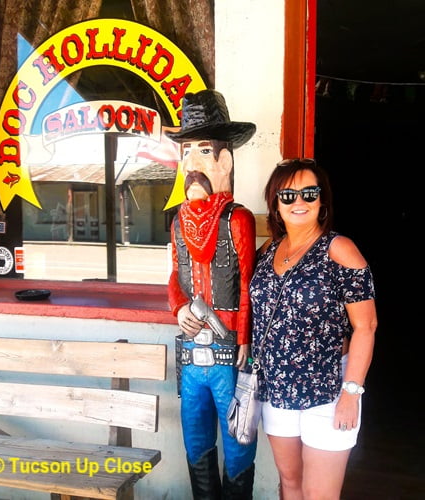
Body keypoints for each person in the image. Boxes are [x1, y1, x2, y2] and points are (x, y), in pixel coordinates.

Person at [249, 158, 377, 499]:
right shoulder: (267, 251)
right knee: (290, 485)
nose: (299, 201)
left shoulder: (340, 249)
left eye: (309, 193)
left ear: (322, 201)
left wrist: (351, 393)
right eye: (288, 195)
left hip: (328, 392)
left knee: (319, 494)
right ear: (276, 204)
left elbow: (366, 326)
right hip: (277, 391)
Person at [166, 89, 257, 499]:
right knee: (196, 442)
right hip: (190, 354)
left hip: (228, 355)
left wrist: (242, 337)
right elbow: (174, 276)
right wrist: (179, 305)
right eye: (187, 152)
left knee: (238, 444)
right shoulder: (177, 222)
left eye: (204, 151)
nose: (192, 164)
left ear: (225, 160)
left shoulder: (237, 219)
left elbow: (248, 282)